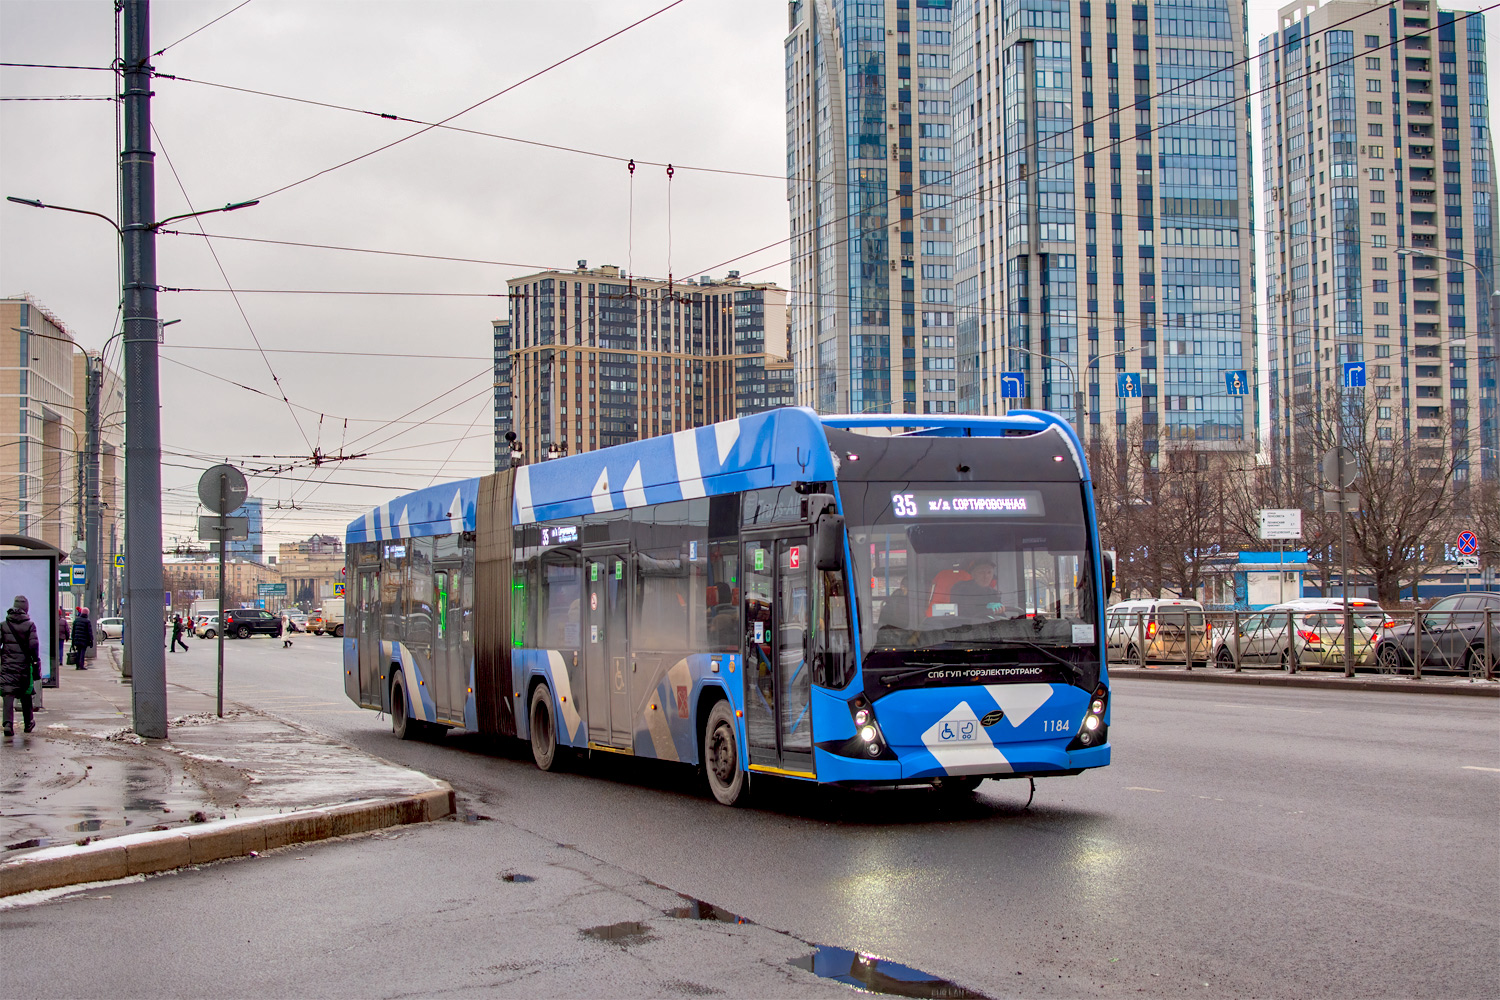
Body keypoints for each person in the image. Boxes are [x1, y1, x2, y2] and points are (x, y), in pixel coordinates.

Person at [2, 595, 42, 738]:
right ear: (26, 609)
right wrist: (35, 660)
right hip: (24, 665)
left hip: (7, 665)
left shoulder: (4, 625)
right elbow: (33, 645)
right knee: (25, 693)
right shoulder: (30, 625)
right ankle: (28, 722)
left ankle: (7, 724)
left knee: (8, 693)